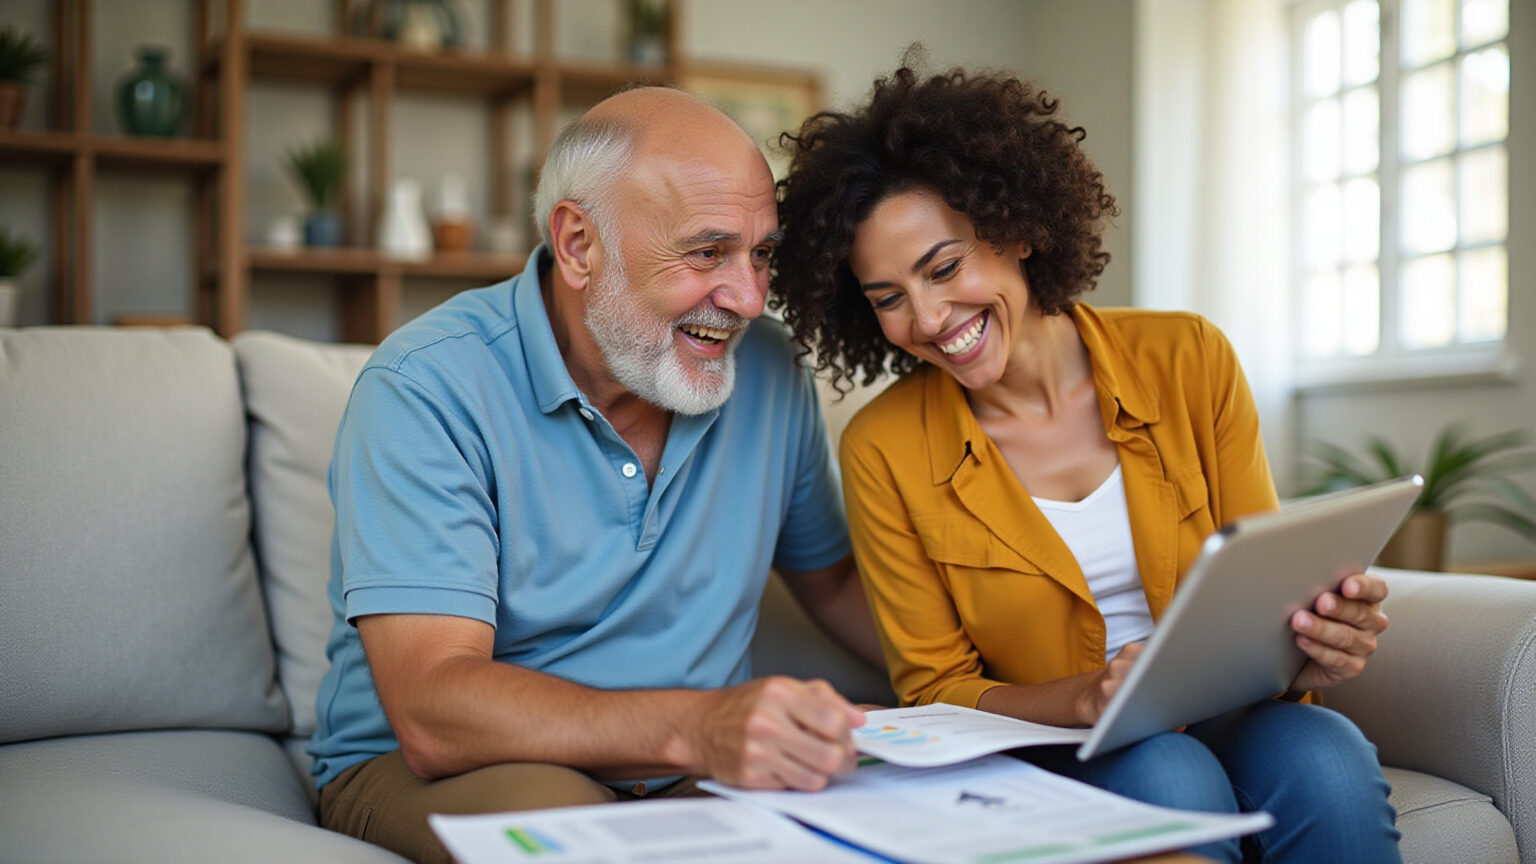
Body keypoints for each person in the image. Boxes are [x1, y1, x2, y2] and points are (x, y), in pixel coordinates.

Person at [772, 63, 1401, 863]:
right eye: (887, 297)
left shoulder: (1190, 357)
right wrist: (1087, 698)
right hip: (1056, 737)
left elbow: (1259, 585)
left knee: (1327, 754)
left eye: (943, 268)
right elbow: (934, 689)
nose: (928, 319)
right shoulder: (883, 448)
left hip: (1228, 708)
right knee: (1168, 772)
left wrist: (1317, 638)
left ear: (1020, 228)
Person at [306, 86, 884, 864]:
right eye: (707, 251)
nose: (748, 298)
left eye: (761, 253)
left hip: (680, 768)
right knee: (590, 843)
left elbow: (837, 584)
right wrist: (697, 729)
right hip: (459, 766)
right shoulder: (425, 386)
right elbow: (434, 710)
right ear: (579, 245)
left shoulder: (770, 373)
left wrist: (1032, 679)